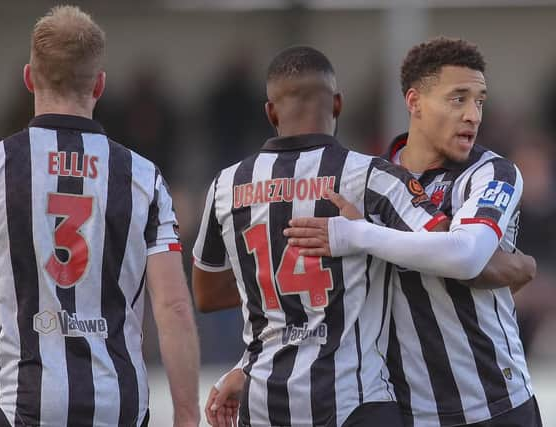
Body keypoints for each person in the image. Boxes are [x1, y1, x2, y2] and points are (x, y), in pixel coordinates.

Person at [0, 6, 200, 427]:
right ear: (100, 85)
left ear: (29, 78)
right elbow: (175, 306)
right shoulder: (143, 177)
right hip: (117, 407)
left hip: (19, 403)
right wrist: (185, 412)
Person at [285, 37, 542, 426]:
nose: (473, 114)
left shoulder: (492, 173)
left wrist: (358, 234)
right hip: (409, 412)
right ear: (414, 102)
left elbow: (468, 256)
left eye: (480, 101)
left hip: (497, 403)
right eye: (458, 99)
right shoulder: (368, 180)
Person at [193, 45, 454, 427]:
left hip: (263, 401)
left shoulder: (226, 184)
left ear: (270, 113)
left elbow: (207, 293)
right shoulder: (369, 176)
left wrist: (273, 289)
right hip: (356, 402)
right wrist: (367, 251)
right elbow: (447, 246)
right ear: (337, 105)